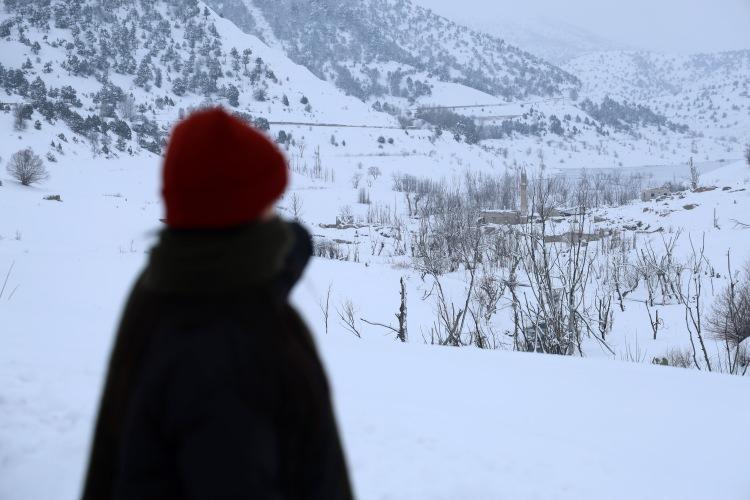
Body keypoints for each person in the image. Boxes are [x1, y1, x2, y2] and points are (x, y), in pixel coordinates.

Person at [81, 108, 353, 500]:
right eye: (267, 201)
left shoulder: (167, 281)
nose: (275, 214)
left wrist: (296, 243)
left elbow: (275, 257)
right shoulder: (226, 360)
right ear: (242, 217)